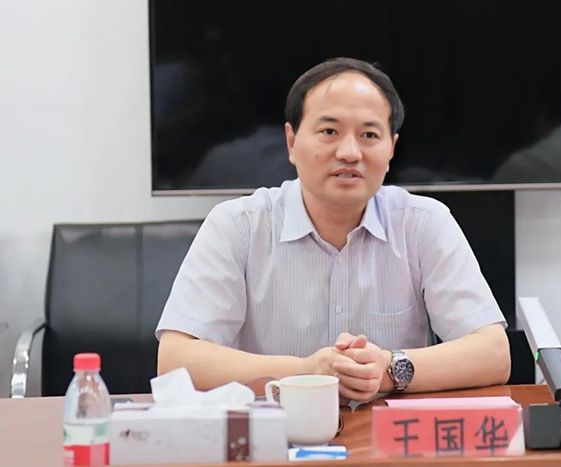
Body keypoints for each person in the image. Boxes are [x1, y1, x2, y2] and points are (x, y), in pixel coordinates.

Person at [156, 57, 510, 402]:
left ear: (391, 149)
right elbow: (175, 360)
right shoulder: (237, 226)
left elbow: (493, 353)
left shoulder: (424, 223)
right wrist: (305, 372)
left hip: (389, 434)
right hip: (275, 432)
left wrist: (388, 368)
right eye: (329, 132)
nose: (350, 152)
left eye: (369, 134)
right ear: (292, 142)